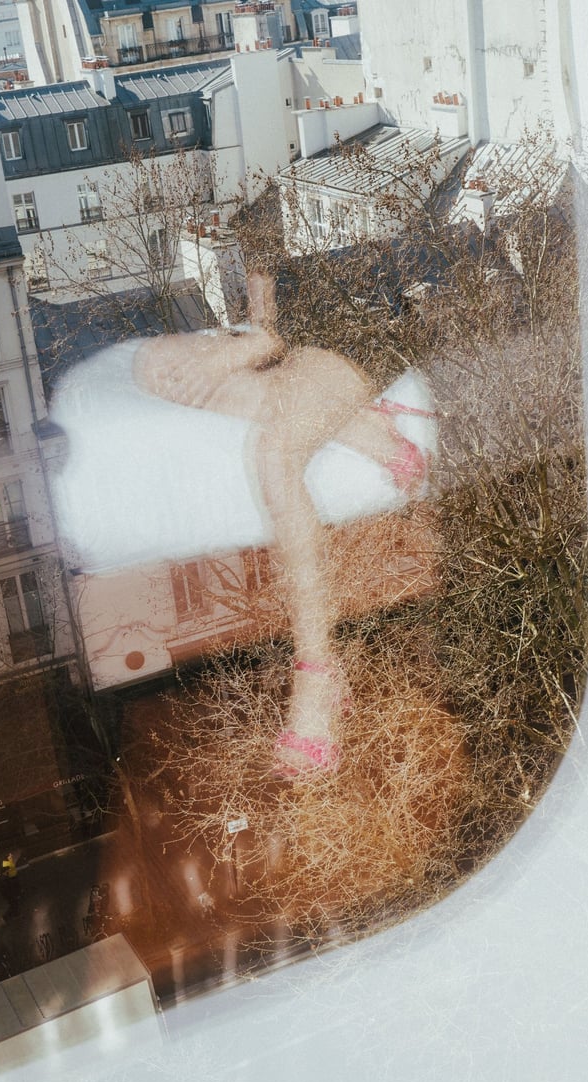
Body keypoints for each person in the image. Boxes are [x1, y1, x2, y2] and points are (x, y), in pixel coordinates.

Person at [130, 274, 434, 780]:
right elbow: (257, 318)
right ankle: (369, 432)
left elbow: (267, 302)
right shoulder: (212, 370)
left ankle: (317, 673)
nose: (172, 381)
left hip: (340, 340)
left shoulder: (267, 325)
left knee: (273, 457)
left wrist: (244, 344)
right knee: (200, 391)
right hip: (301, 363)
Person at [0, 852, 21, 920]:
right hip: (9, 891)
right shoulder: (8, 868)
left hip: (8, 890)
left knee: (14, 904)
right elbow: (13, 879)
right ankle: (7, 916)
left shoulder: (7, 866)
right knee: (14, 904)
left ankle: (15, 915)